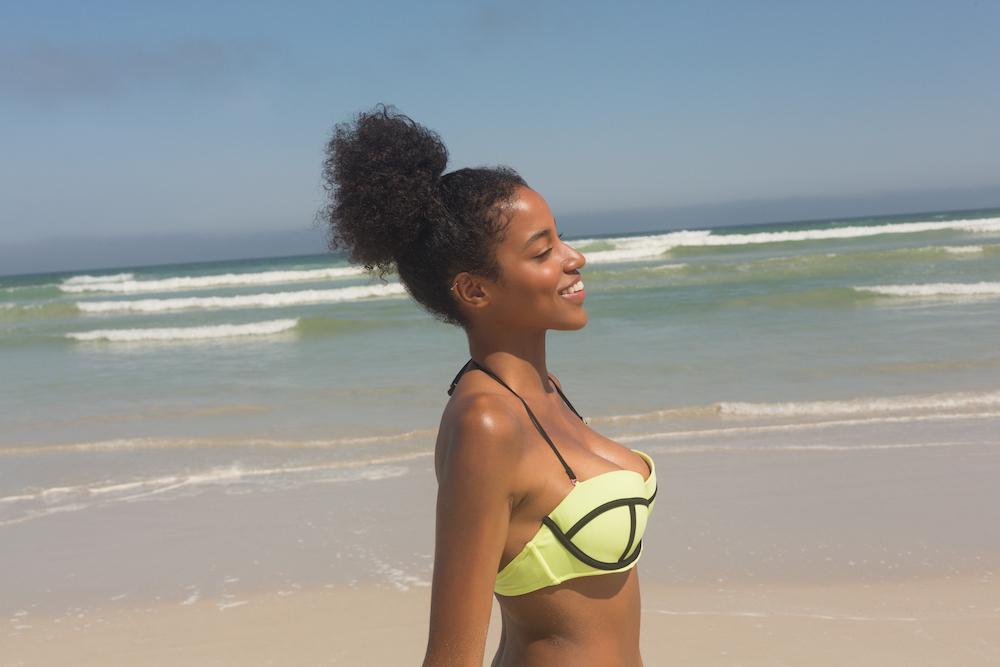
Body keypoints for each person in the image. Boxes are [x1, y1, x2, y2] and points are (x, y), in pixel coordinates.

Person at [320, 105, 656, 667]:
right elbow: (451, 655)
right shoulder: (485, 424)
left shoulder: (546, 388)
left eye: (561, 239)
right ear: (474, 290)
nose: (575, 259)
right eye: (542, 250)